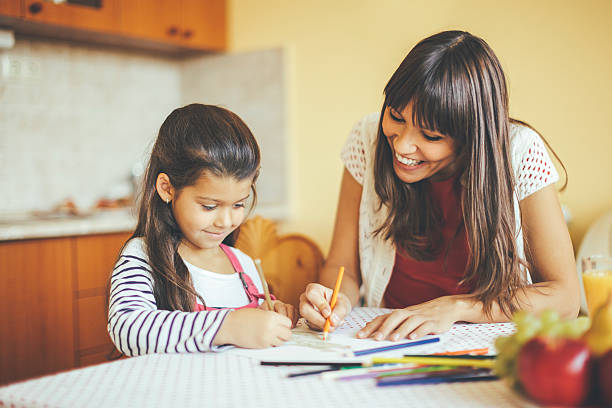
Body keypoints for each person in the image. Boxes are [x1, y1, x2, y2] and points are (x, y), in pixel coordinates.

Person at [299, 30, 579, 341]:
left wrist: (457, 308)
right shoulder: (367, 139)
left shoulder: (520, 152)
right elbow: (342, 268)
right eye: (395, 116)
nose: (403, 146)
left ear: (471, 137)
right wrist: (335, 302)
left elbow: (565, 299)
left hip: (482, 343)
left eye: (430, 136)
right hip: (386, 337)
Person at [107, 103, 296, 356]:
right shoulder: (143, 256)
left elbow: (256, 328)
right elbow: (128, 328)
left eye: (239, 204)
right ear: (167, 188)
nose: (226, 221)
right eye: (209, 206)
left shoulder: (244, 265)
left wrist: (275, 316)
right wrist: (227, 326)